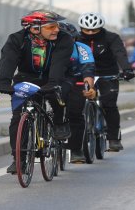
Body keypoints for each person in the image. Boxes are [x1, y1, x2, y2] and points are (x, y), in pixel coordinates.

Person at [0, 10, 73, 174]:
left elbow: (59, 63)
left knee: (57, 94)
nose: (57, 30)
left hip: (54, 76)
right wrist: (3, 83)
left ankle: (59, 122)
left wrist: (52, 83)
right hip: (26, 77)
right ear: (35, 28)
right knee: (17, 117)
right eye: (51, 27)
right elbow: (8, 61)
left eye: (57, 26)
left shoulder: (64, 38)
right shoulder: (17, 39)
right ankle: (19, 160)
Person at [76, 12, 135, 152]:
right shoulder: (75, 38)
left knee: (109, 104)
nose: (90, 33)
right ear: (81, 28)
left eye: (94, 30)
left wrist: (127, 69)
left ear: (101, 28)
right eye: (86, 30)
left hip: (107, 74)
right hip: (83, 74)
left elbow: (120, 53)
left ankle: (113, 138)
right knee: (77, 104)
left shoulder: (111, 37)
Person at [57, 22, 98, 164]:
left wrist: (89, 88)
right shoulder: (47, 49)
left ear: (75, 39)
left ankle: (76, 150)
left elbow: (88, 69)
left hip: (77, 80)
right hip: (56, 80)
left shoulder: (82, 49)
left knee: (75, 112)